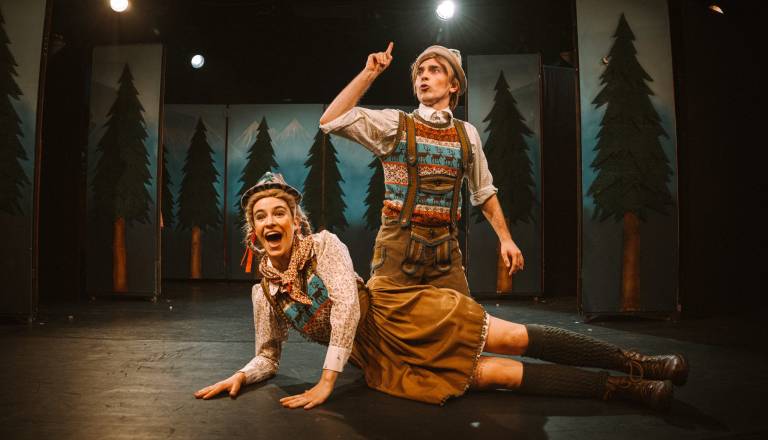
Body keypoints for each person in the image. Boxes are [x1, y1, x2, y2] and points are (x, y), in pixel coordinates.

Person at [194, 172, 688, 411]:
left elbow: (345, 307)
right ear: (253, 232)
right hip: (378, 358)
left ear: (294, 221)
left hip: (398, 315)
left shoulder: (324, 245)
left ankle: (639, 362)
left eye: (279, 212)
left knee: (511, 338)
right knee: (498, 375)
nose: (271, 221)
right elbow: (268, 356)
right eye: (261, 216)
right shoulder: (265, 293)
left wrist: (326, 383)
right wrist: (243, 375)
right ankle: (629, 390)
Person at [318, 42, 522, 295]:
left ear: (453, 85)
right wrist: (369, 73)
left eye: (435, 70)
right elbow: (330, 120)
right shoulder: (395, 124)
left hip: (445, 251)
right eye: (420, 72)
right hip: (398, 247)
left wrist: (506, 239)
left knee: (462, 318)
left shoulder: (467, 134)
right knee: (386, 316)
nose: (423, 76)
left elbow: (483, 191)